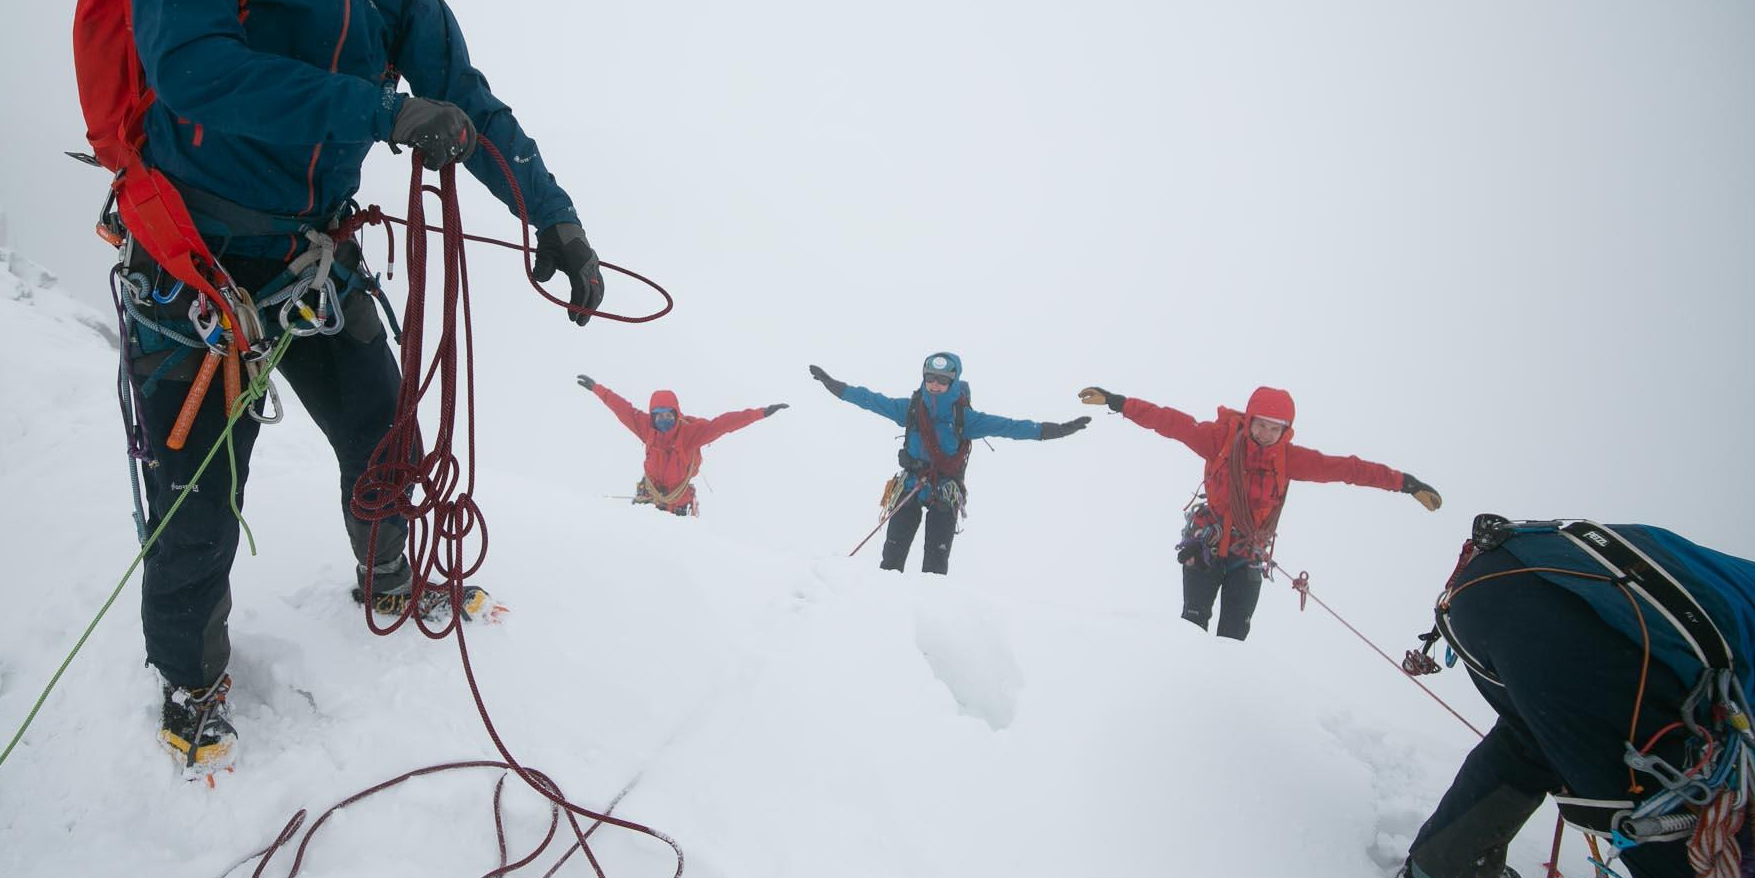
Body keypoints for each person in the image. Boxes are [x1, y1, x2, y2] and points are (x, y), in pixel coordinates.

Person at [109, 0, 605, 774]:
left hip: (311, 263)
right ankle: (191, 682)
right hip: (194, 266)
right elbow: (194, 70)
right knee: (199, 500)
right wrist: (377, 112)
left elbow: (467, 101)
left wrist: (553, 218)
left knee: (385, 440)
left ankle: (389, 578)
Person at [1400, 517, 1755, 878]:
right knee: (1694, 836)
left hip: (1494, 581)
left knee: (1532, 737)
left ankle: (1442, 872)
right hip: (1593, 622)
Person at [1076, 384, 1439, 640]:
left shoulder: (1289, 460)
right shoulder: (1219, 441)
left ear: (1286, 431)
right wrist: (1119, 402)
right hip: (1206, 546)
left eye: (1275, 428)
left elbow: (1347, 469)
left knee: (1233, 637)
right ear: (1248, 420)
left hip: (1246, 555)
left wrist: (1404, 483)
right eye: (1261, 424)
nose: (1266, 433)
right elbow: (1170, 422)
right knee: (1191, 628)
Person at [809, 353, 1091, 575]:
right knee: (891, 560)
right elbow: (871, 400)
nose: (935, 384)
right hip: (910, 485)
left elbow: (1011, 427)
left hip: (945, 491)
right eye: (930, 378)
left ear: (953, 382)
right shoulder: (911, 408)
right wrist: (835, 386)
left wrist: (1055, 430)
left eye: (942, 380)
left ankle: (929, 618)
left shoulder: (965, 418)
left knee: (935, 566)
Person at [576, 376, 786, 516]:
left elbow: (724, 424)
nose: (664, 421)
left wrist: (760, 413)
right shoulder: (645, 427)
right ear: (652, 417)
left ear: (676, 414)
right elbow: (622, 408)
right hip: (649, 495)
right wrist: (597, 389)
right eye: (659, 417)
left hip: (678, 502)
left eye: (669, 416)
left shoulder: (690, 435)